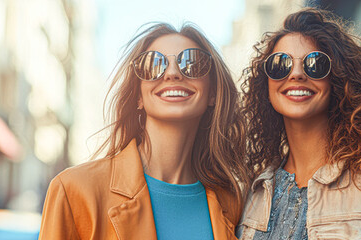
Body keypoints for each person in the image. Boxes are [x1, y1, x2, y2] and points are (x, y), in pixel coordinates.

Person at [237, 8, 361, 239]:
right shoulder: (254, 194)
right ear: (266, 83)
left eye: (314, 64)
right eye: (280, 64)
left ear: (338, 79)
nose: (296, 74)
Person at [38, 22, 247, 240]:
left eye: (192, 63)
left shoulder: (231, 202)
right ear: (138, 96)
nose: (173, 73)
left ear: (212, 93)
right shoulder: (74, 190)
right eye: (154, 65)